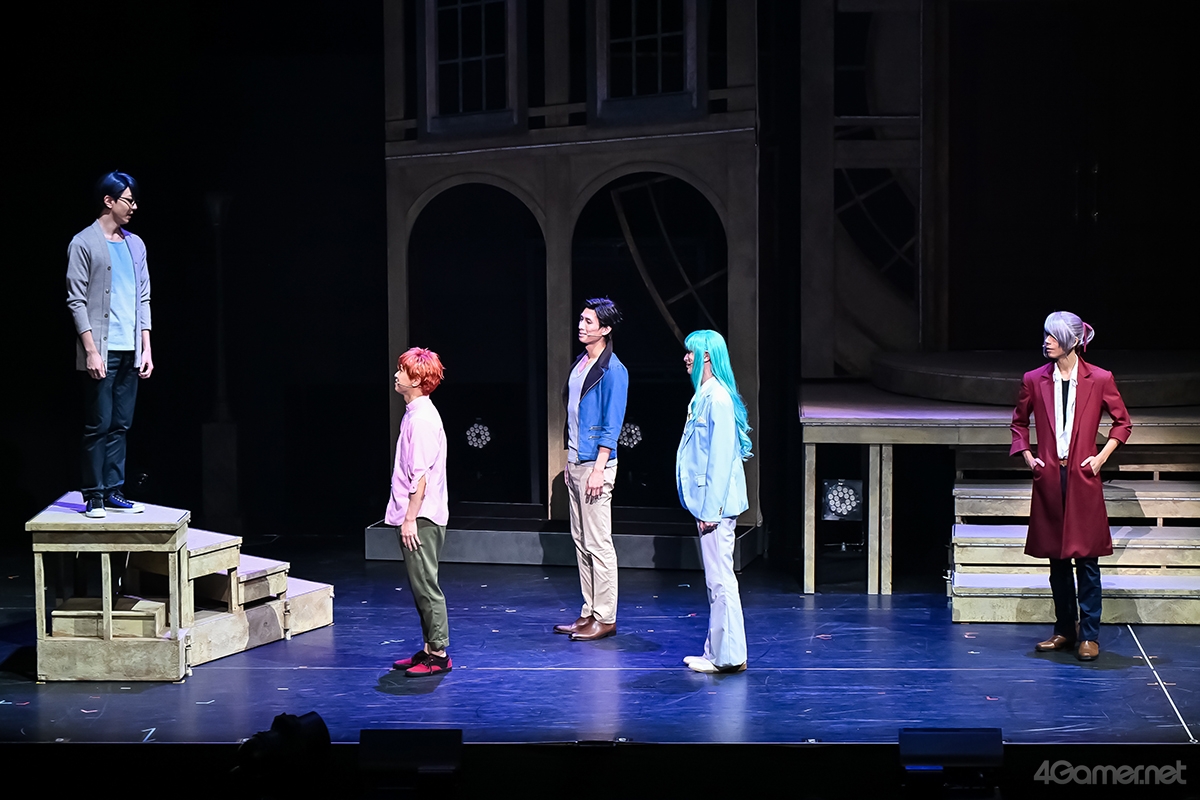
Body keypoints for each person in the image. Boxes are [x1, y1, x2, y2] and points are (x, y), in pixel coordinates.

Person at [1011, 312, 1131, 662]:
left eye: (1053, 336)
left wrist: (1100, 458)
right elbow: (1019, 423)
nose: (1046, 341)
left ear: (1072, 341)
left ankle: (1089, 635)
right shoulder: (1034, 379)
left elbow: (1122, 423)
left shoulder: (1100, 378)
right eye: (1046, 335)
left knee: (1087, 560)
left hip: (1082, 476)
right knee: (1057, 561)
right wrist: (1029, 457)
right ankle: (1064, 629)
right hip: (1050, 476)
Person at [66, 171, 154, 519]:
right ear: (109, 201)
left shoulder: (136, 244)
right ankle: (94, 495)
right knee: (99, 425)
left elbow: (143, 297)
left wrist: (146, 347)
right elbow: (76, 300)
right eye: (128, 200)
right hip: (101, 350)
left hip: (130, 349)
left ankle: (114, 491)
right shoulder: (84, 243)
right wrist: (90, 350)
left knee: (121, 424)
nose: (134, 207)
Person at [553, 298, 629, 642]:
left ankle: (606, 616)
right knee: (581, 542)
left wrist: (598, 468)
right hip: (577, 462)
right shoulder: (581, 363)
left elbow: (612, 425)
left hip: (596, 465)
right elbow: (573, 416)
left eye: (589, 321)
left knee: (598, 543)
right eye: (581, 319)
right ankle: (589, 612)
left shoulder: (613, 370)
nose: (581, 326)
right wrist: (570, 461)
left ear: (606, 329)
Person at [675, 330, 751, 674]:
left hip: (715, 506)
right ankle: (717, 651)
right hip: (708, 504)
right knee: (716, 580)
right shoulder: (704, 395)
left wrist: (711, 511)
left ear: (707, 357)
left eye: (692, 352)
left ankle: (728, 657)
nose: (686, 358)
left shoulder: (717, 398)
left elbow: (719, 460)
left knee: (720, 580)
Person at [386, 347, 452, 677]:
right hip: (416, 514)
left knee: (426, 585)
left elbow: (421, 477)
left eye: (402, 370)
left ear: (416, 380)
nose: (396, 375)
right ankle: (429, 647)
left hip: (421, 517)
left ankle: (438, 654)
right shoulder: (414, 414)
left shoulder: (422, 420)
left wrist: (410, 518)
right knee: (419, 585)